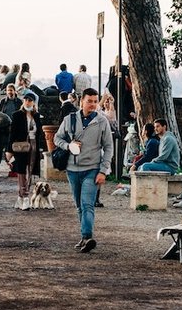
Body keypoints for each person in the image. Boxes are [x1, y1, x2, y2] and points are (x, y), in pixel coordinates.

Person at [53, 87, 114, 253]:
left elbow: (109, 147)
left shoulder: (102, 122)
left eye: (95, 101)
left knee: (87, 204)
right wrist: (68, 146)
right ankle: (83, 237)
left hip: (92, 169)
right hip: (72, 169)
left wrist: (103, 170)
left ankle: (88, 236)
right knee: (79, 205)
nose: (93, 105)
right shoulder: (69, 119)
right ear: (82, 102)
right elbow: (56, 138)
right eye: (90, 101)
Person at [6, 93, 45, 210]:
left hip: (33, 145)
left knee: (30, 170)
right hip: (20, 145)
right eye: (26, 100)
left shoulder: (37, 116)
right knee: (21, 171)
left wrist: (41, 147)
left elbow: (40, 134)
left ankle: (20, 197)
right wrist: (9, 150)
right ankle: (26, 197)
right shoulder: (17, 115)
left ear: (34, 102)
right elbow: (12, 133)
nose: (28, 102)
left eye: (30, 100)